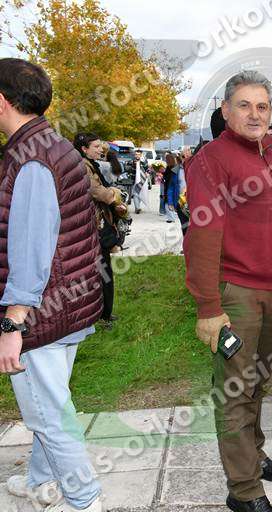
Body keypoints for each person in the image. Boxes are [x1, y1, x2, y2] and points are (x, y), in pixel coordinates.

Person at [183, 70, 272, 512]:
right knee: (234, 391)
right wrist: (208, 307)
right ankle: (244, 490)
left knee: (256, 383)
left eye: (262, 106)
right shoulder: (212, 159)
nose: (254, 114)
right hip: (237, 293)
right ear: (226, 110)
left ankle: (254, 456)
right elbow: (203, 233)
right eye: (244, 105)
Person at [0, 57, 104, 512]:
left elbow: (32, 247)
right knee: (50, 405)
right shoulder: (54, 145)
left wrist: (12, 323)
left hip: (42, 312)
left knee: (48, 415)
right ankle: (43, 481)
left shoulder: (31, 159)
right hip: (69, 305)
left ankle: (85, 499)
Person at [74, 132, 127, 329]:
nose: (100, 149)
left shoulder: (90, 164)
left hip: (98, 223)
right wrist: (114, 197)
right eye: (95, 147)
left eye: (100, 146)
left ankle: (104, 313)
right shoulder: (82, 166)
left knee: (103, 269)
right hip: (94, 226)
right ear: (84, 149)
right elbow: (95, 190)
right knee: (99, 271)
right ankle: (99, 315)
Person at [130, 149, 150, 214]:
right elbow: (131, 169)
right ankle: (137, 208)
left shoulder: (144, 161)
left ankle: (137, 207)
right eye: (136, 154)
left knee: (140, 193)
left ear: (141, 155)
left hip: (142, 180)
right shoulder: (133, 161)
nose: (137, 156)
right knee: (135, 193)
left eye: (138, 154)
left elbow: (147, 169)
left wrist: (147, 173)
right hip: (134, 180)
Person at [162, 153, 179, 223]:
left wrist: (163, 176)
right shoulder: (173, 167)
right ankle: (171, 217)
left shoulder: (173, 167)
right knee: (168, 201)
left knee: (168, 201)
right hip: (169, 186)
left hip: (170, 186)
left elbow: (168, 177)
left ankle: (171, 217)